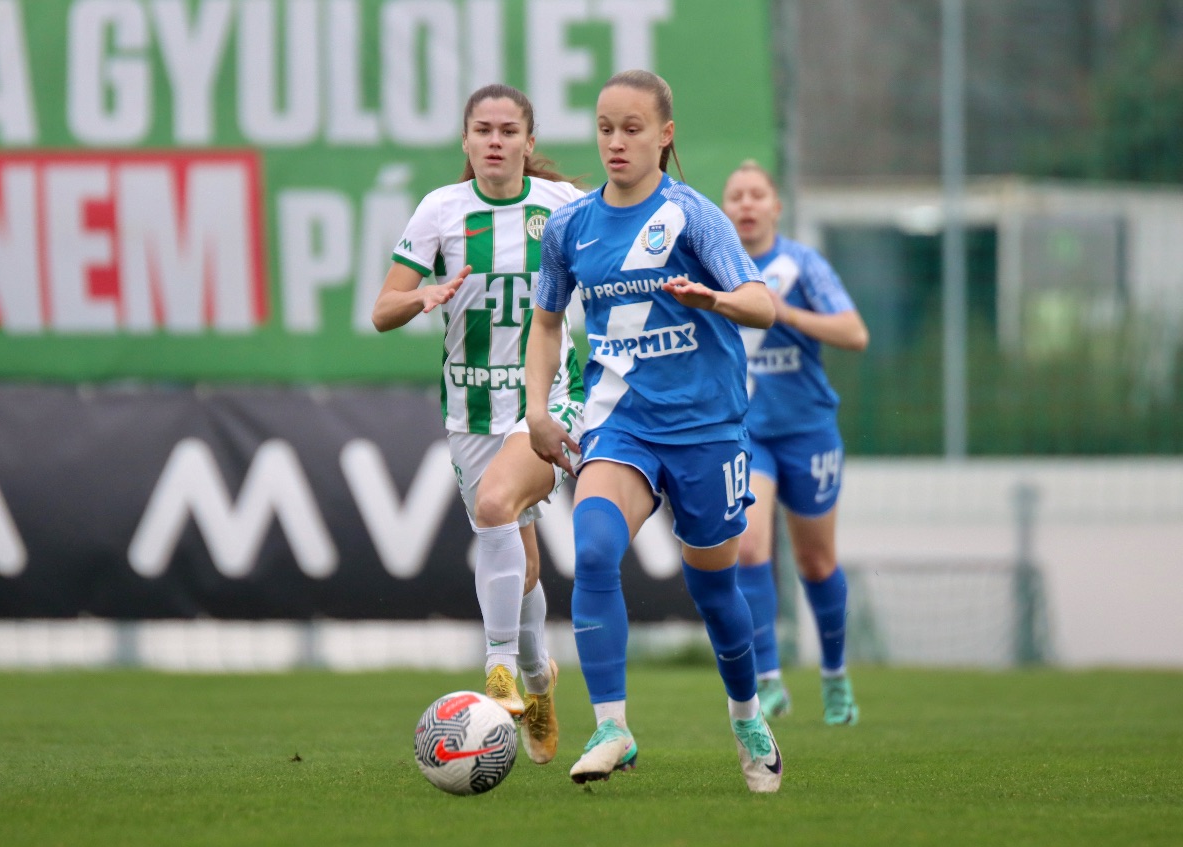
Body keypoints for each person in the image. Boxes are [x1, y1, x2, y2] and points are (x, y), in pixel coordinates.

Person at [525, 70, 783, 793]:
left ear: (664, 135)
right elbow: (546, 323)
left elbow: (762, 304)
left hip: (706, 427)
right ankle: (612, 726)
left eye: (632, 129)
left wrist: (714, 299)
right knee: (594, 549)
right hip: (620, 422)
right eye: (605, 128)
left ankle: (747, 717)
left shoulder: (694, 215)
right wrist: (538, 408)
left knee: (715, 591)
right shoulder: (570, 227)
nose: (616, 142)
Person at [371, 83, 587, 765]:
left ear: (529, 141)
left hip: (546, 398)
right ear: (466, 140)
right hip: (470, 406)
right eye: (483, 130)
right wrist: (422, 296)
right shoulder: (441, 209)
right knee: (521, 559)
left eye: (508, 130)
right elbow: (381, 310)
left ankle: (497, 670)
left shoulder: (563, 206)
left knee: (495, 505)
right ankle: (538, 679)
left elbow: (615, 258)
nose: (495, 140)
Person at [721, 159, 870, 726]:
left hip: (807, 430)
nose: (746, 204)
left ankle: (834, 675)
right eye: (736, 196)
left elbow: (854, 333)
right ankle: (768, 680)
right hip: (747, 432)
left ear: (776, 207)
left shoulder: (801, 264)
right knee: (750, 548)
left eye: (757, 195)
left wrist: (784, 312)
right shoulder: (716, 266)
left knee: (815, 559)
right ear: (724, 209)